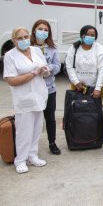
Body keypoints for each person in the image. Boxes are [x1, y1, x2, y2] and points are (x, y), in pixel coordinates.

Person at [4, 27, 50, 174]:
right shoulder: (10, 56)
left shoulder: (36, 50)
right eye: (20, 38)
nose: (24, 40)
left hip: (39, 95)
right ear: (14, 40)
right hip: (24, 99)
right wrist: (33, 73)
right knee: (24, 131)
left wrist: (44, 71)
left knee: (37, 128)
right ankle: (21, 160)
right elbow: (11, 80)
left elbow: (44, 69)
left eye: (25, 37)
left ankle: (32, 155)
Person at [30, 20, 61, 155]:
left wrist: (49, 68)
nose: (43, 32)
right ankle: (31, 146)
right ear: (34, 30)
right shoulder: (28, 48)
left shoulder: (52, 48)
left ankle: (52, 142)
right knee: (33, 119)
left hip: (49, 89)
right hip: (33, 90)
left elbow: (58, 66)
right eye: (40, 29)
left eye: (46, 30)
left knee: (50, 117)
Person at [65, 25, 103, 99]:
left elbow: (102, 69)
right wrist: (76, 82)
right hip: (77, 87)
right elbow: (69, 67)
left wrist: (98, 88)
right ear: (82, 35)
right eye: (87, 34)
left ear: (95, 37)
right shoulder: (74, 48)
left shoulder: (99, 49)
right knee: (76, 108)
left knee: (94, 109)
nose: (89, 37)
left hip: (94, 89)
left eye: (92, 35)